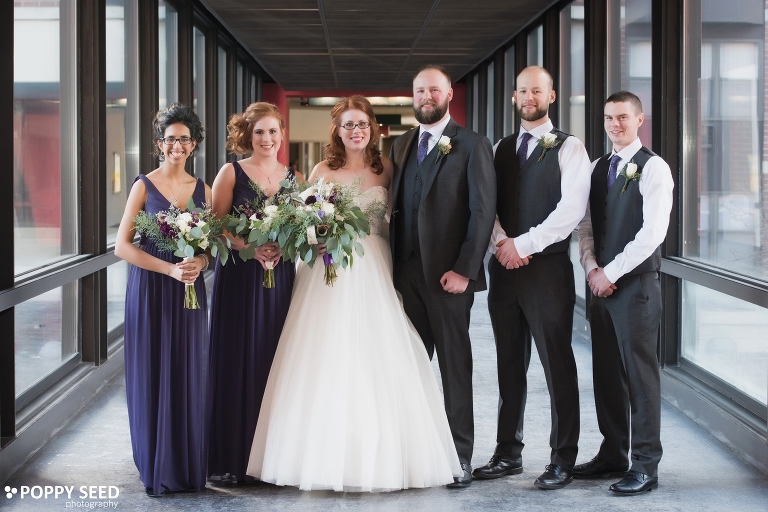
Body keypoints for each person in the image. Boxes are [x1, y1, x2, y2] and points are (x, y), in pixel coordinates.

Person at [245, 95, 462, 491]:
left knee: (375, 352)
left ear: (372, 128)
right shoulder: (321, 169)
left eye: (362, 123)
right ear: (338, 131)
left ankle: (378, 454)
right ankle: (321, 455)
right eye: (348, 124)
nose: (356, 130)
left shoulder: (388, 169)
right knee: (324, 353)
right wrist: (317, 238)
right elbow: (304, 223)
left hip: (375, 265)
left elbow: (403, 218)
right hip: (328, 269)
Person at [473, 66, 591, 490]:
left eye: (536, 91)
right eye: (522, 90)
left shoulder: (570, 147)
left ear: (551, 96)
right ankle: (508, 452)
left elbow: (572, 209)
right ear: (514, 97)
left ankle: (563, 458)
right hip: (504, 271)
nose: (529, 97)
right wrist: (502, 244)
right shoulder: (500, 148)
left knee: (557, 364)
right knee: (509, 364)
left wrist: (524, 245)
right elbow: (486, 204)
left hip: (547, 272)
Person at [389, 65, 497, 488]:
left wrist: (465, 271)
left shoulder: (472, 144)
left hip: (449, 278)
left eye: (434, 89)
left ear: (449, 94)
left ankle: (459, 457)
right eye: (420, 90)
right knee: (408, 366)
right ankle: (411, 454)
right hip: (404, 275)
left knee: (454, 367)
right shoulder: (400, 144)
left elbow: (482, 212)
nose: (426, 96)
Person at [573, 91, 673, 495]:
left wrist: (610, 272)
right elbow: (585, 226)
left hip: (636, 288)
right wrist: (591, 269)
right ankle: (613, 453)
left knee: (640, 377)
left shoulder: (654, 168)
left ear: (639, 120)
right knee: (606, 374)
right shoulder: (597, 168)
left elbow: (653, 233)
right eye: (609, 117)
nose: (615, 124)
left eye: (623, 117)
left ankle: (645, 465)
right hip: (601, 286)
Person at [114, 103, 210, 497]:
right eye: (170, 139)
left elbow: (211, 248)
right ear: (159, 143)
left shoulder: (203, 190)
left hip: (190, 290)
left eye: (184, 139)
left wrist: (199, 261)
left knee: (188, 370)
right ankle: (156, 464)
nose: (177, 146)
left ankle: (185, 466)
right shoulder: (143, 185)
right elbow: (122, 246)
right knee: (153, 370)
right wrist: (169, 270)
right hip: (152, 287)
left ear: (193, 144)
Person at [206, 103, 299, 486]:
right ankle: (234, 457)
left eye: (273, 131)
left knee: (274, 358)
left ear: (281, 134)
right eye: (259, 131)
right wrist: (250, 247)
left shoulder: (294, 177)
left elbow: (300, 227)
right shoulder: (230, 172)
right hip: (240, 279)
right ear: (248, 135)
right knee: (238, 358)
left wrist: (283, 245)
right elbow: (215, 225)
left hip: (280, 277)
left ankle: (272, 461)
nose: (267, 138)